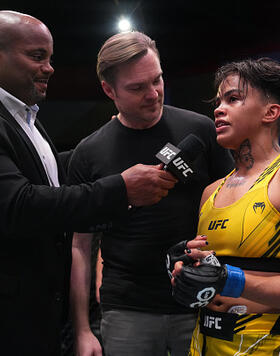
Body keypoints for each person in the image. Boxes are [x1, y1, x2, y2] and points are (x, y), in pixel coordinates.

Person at [0, 11, 177, 356]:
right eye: (37, 56)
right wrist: (120, 187)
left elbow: (47, 174)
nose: (49, 68)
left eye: (50, 58)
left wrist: (108, 145)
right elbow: (18, 204)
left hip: (41, 312)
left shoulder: (25, 118)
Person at [69, 31, 234, 356]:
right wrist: (82, 330)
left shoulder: (200, 130)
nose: (153, 93)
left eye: (157, 80)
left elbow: (233, 206)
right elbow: (80, 245)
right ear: (108, 89)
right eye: (137, 87)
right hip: (127, 308)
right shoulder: (88, 154)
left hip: (200, 298)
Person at [168, 57, 280, 355]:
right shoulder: (209, 192)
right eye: (218, 101)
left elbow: (227, 276)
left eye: (233, 99)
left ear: (271, 112)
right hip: (202, 344)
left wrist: (231, 279)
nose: (218, 109)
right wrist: (184, 267)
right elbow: (210, 275)